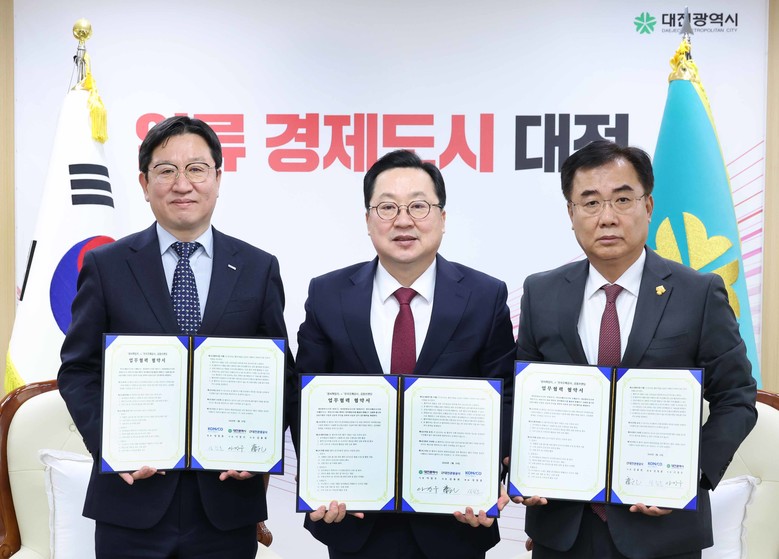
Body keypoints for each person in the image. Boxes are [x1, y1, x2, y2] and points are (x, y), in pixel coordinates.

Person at [58, 116, 292, 559]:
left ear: (218, 179)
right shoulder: (106, 265)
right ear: (145, 184)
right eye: (166, 170)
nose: (182, 184)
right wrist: (111, 447)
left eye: (197, 169)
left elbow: (281, 375)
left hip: (226, 503)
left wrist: (256, 448)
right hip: (131, 500)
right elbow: (78, 370)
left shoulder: (259, 268)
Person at [514, 140, 758, 558]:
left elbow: (736, 397)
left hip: (663, 532)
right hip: (562, 529)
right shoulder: (541, 292)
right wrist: (523, 468)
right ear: (571, 213)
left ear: (648, 205)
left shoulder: (698, 293)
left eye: (622, 199)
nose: (607, 216)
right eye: (590, 202)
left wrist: (688, 478)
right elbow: (522, 397)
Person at [292, 149, 515, 559]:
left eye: (418, 206)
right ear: (367, 220)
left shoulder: (484, 296)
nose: (403, 220)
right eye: (387, 207)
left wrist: (488, 481)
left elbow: (506, 395)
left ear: (442, 218)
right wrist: (319, 480)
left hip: (454, 522)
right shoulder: (328, 294)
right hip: (354, 521)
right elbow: (304, 395)